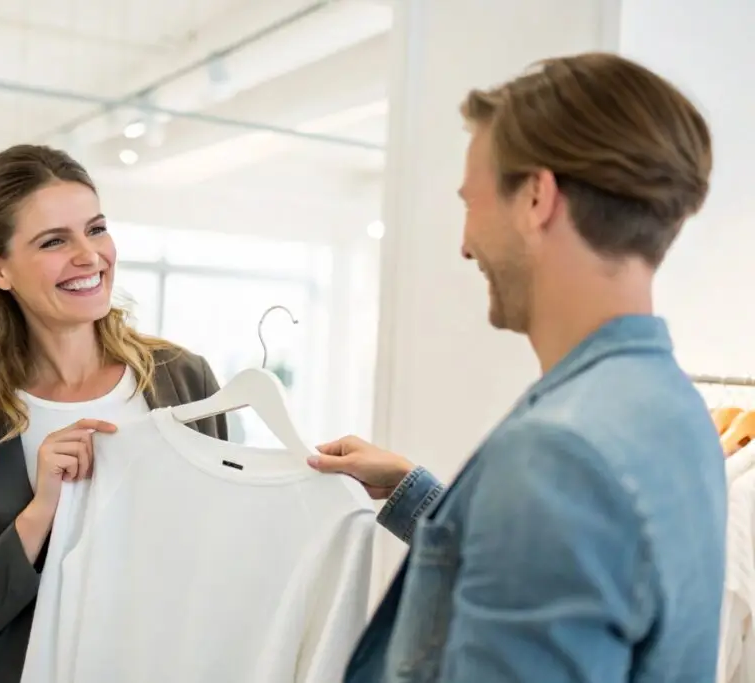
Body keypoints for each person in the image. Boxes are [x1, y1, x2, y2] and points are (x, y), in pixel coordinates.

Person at [309, 53, 725, 682]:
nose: (465, 243)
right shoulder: (672, 408)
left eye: (471, 203)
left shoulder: (557, 455)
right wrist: (418, 494)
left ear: (536, 197)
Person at [0, 144, 228, 683]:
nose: (89, 255)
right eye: (55, 241)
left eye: (96, 229)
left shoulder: (183, 379)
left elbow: (224, 560)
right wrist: (40, 512)